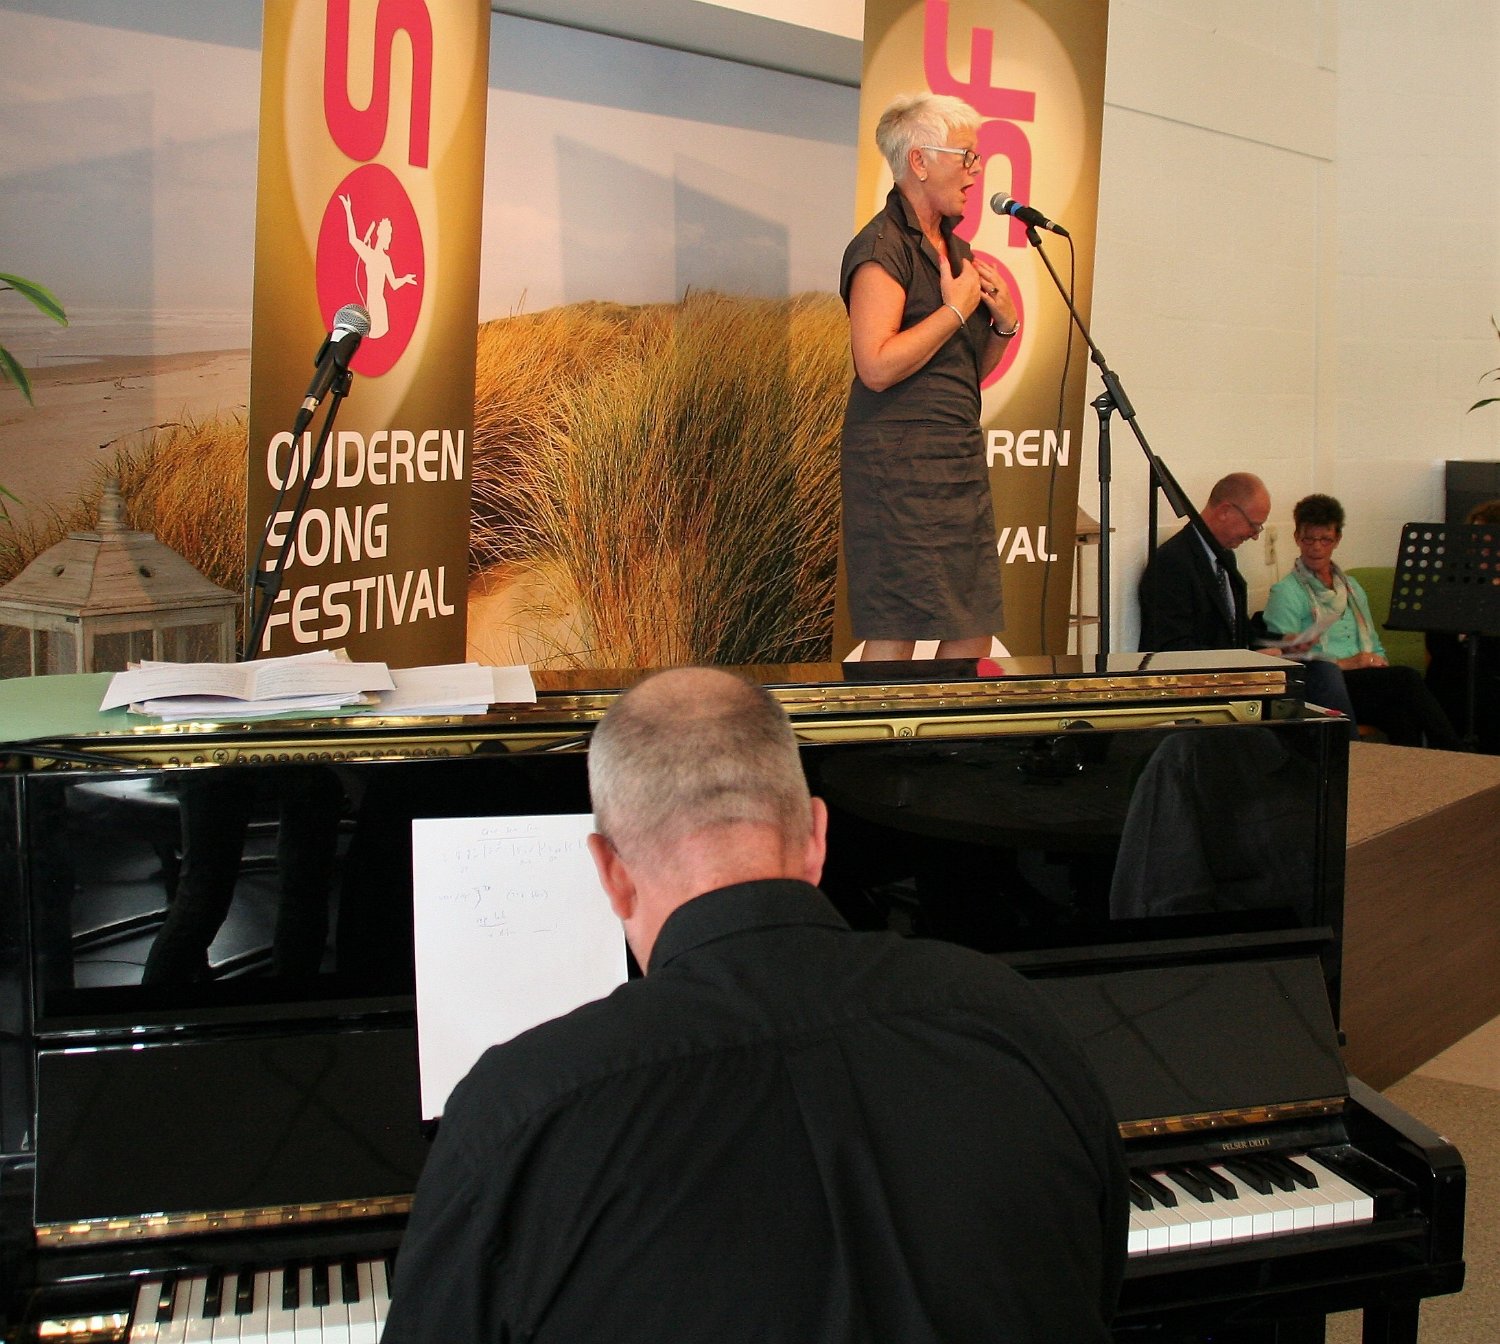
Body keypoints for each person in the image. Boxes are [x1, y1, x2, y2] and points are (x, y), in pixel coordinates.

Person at [382, 667, 1128, 1344]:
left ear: (610, 874)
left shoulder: (517, 1112)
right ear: (817, 837)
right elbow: (1094, 1283)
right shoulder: (1012, 1017)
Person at [839, 92, 1019, 662]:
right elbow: (876, 365)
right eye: (965, 156)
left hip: (954, 459)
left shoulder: (957, 251)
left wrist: (1003, 327)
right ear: (919, 161)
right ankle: (880, 751)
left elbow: (963, 372)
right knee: (897, 628)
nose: (975, 172)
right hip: (897, 465)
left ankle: (937, 750)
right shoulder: (880, 248)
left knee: (971, 628)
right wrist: (956, 311)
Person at [1137, 473, 1358, 728]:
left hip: (1234, 671)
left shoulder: (1224, 559)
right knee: (1321, 677)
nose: (1254, 535)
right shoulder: (1173, 563)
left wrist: (1286, 643)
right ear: (1225, 511)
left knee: (1319, 665)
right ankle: (1345, 756)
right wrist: (1248, 660)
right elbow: (1172, 651)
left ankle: (1341, 755)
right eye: (1253, 525)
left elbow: (1237, 630)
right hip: (1204, 684)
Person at [1264, 493, 1462, 750]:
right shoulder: (1286, 592)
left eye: (1325, 539)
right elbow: (1288, 660)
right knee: (1407, 679)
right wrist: (1348, 663)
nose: (1316, 547)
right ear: (1297, 539)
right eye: (1308, 539)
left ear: (1337, 540)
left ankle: (1412, 782)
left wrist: (1379, 662)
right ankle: (1456, 752)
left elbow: (1374, 643)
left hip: (1365, 683)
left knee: (1402, 716)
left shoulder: (1352, 587)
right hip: (1327, 685)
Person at [1425, 497, 1500, 753]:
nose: (1482, 549)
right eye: (1476, 540)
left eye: (1490, 541)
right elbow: (1435, 644)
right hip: (1456, 670)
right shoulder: (1453, 582)